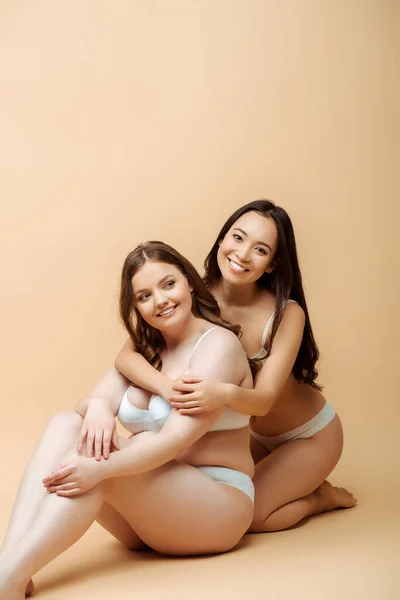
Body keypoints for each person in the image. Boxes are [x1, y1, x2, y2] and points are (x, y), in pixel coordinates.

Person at [0, 242, 255, 599]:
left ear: (190, 283)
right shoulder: (145, 349)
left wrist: (101, 469)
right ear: (134, 306)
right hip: (151, 517)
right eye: (144, 296)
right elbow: (88, 403)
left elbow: (172, 442)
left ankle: (8, 579)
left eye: (169, 284)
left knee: (97, 464)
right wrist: (101, 408)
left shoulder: (218, 346)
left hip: (215, 509)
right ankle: (9, 566)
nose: (161, 301)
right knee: (66, 424)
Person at [115, 200, 357, 534]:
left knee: (253, 518)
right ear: (221, 240)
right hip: (252, 435)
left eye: (260, 249)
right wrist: (164, 387)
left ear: (271, 264)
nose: (242, 255)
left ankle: (320, 499)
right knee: (216, 496)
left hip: (309, 436)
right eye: (238, 237)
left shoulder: (287, 314)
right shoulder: (195, 295)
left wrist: (222, 393)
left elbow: (264, 400)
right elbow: (127, 357)